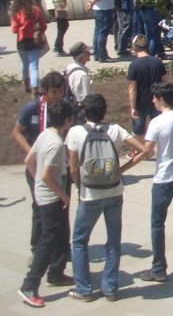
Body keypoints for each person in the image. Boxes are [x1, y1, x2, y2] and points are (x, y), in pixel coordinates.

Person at [65, 93, 145, 302]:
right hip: (114, 191)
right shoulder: (115, 130)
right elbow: (143, 150)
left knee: (80, 241)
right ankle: (110, 288)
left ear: (84, 112)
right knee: (113, 241)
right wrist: (122, 169)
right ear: (104, 111)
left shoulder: (75, 132)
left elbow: (73, 167)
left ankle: (84, 289)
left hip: (89, 193)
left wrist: (78, 188)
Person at [17, 100, 75, 308]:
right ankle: (29, 285)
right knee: (48, 240)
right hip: (51, 198)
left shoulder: (44, 134)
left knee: (59, 235)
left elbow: (29, 161)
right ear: (67, 120)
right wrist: (63, 196)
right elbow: (48, 175)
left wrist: (37, 184)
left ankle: (56, 273)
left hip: (44, 194)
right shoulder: (57, 143)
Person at [11, 71, 68, 275]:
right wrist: (32, 152)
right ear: (45, 91)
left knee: (61, 207)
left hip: (58, 166)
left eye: (61, 91)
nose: (58, 95)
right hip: (35, 165)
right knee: (39, 206)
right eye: (54, 92)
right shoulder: (33, 107)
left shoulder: (64, 108)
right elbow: (16, 132)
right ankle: (37, 248)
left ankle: (59, 249)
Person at [140, 82, 173, 281]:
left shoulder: (157, 122)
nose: (152, 100)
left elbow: (148, 151)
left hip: (163, 178)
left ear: (162, 99)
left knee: (157, 224)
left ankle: (158, 268)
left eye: (155, 97)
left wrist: (128, 164)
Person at [127, 34, 167, 139]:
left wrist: (133, 107)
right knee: (159, 128)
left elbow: (133, 88)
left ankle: (140, 151)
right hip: (157, 101)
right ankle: (159, 150)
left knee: (138, 130)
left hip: (141, 103)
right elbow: (164, 82)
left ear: (134, 47)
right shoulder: (157, 62)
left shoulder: (134, 65)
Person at [11, 0, 47, 95]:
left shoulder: (16, 12)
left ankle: (26, 86)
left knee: (24, 64)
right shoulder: (36, 10)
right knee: (34, 66)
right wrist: (39, 33)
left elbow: (14, 30)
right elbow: (43, 25)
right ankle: (35, 90)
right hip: (34, 41)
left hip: (22, 42)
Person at [64, 41, 94, 120]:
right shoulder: (82, 75)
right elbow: (85, 100)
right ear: (80, 57)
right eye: (87, 52)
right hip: (79, 113)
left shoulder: (70, 67)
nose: (90, 53)